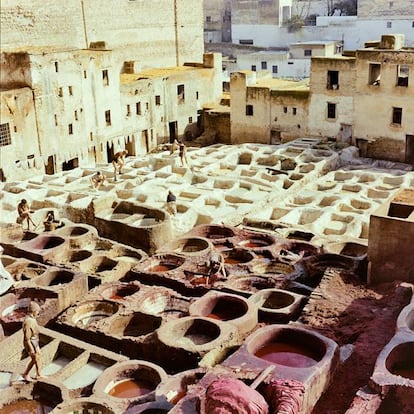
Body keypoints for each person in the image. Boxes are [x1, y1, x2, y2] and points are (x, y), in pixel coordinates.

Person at [22, 302, 44, 382]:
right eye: (37, 311)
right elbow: (27, 338)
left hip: (35, 340)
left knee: (38, 356)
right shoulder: (28, 321)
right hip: (30, 342)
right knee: (34, 358)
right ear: (33, 311)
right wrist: (31, 349)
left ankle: (38, 374)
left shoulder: (32, 319)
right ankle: (26, 374)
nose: (38, 313)